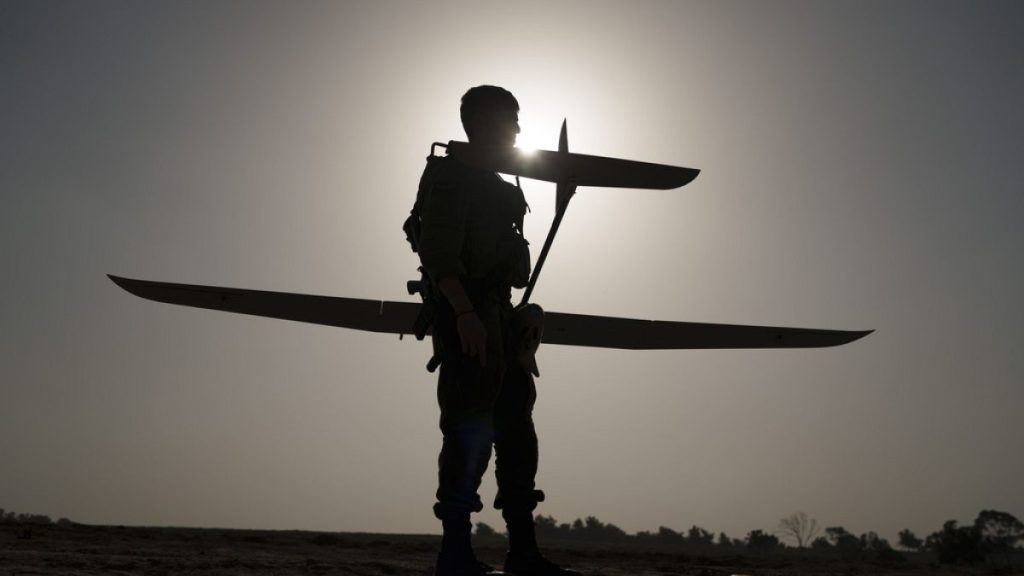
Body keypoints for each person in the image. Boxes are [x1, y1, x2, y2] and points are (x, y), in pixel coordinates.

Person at [414, 86, 580, 576]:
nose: (519, 129)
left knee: (516, 430)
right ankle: (456, 554)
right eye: (512, 118)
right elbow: (439, 253)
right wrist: (464, 315)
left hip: (499, 317)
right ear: (484, 120)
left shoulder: (500, 180)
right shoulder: (452, 174)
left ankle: (523, 551)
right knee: (468, 429)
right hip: (469, 315)